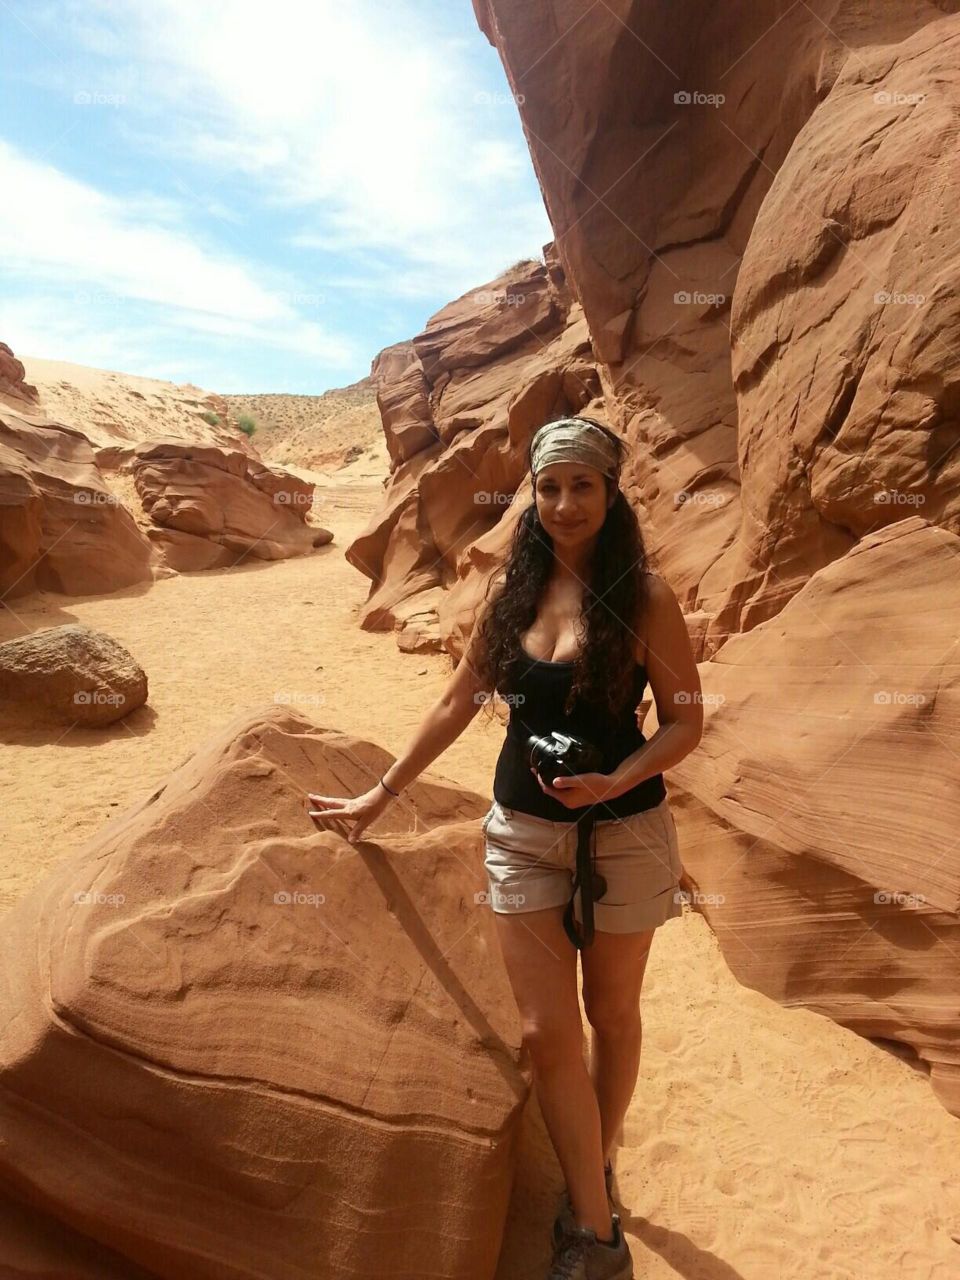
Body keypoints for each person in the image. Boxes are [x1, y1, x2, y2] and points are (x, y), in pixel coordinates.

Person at [308, 415, 703, 1280]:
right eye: (549, 486)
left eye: (583, 486)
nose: (564, 503)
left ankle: (592, 1169)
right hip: (522, 835)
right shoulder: (509, 592)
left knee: (615, 1016)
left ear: (610, 492)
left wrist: (614, 777)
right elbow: (456, 704)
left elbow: (685, 721)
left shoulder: (644, 597)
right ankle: (597, 1240)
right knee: (544, 1031)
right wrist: (382, 793)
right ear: (533, 492)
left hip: (627, 833)